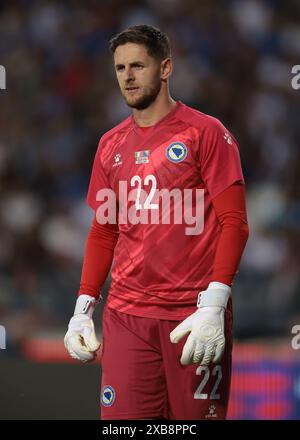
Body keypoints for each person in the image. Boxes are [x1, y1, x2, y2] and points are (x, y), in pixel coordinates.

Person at [64, 24, 249, 420]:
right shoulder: (109, 144)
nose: (128, 77)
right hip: (127, 316)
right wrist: (83, 309)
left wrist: (215, 303)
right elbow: (104, 230)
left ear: (165, 68)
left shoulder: (206, 133)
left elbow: (234, 221)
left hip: (193, 316)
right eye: (119, 68)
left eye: (137, 66)